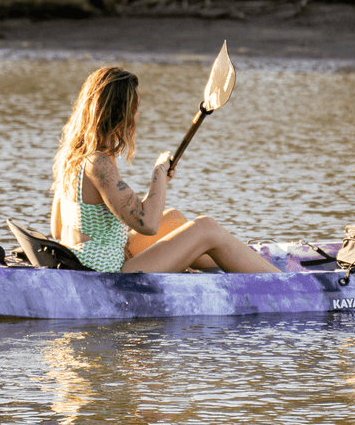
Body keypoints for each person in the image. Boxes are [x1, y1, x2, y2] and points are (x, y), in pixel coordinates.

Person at [50, 66, 279, 274]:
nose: (137, 115)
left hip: (85, 259)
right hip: (107, 274)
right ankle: (283, 280)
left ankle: (246, 259)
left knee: (173, 219)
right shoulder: (99, 163)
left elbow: (57, 229)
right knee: (206, 228)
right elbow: (148, 225)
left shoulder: (72, 155)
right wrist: (159, 173)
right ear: (119, 112)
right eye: (135, 108)